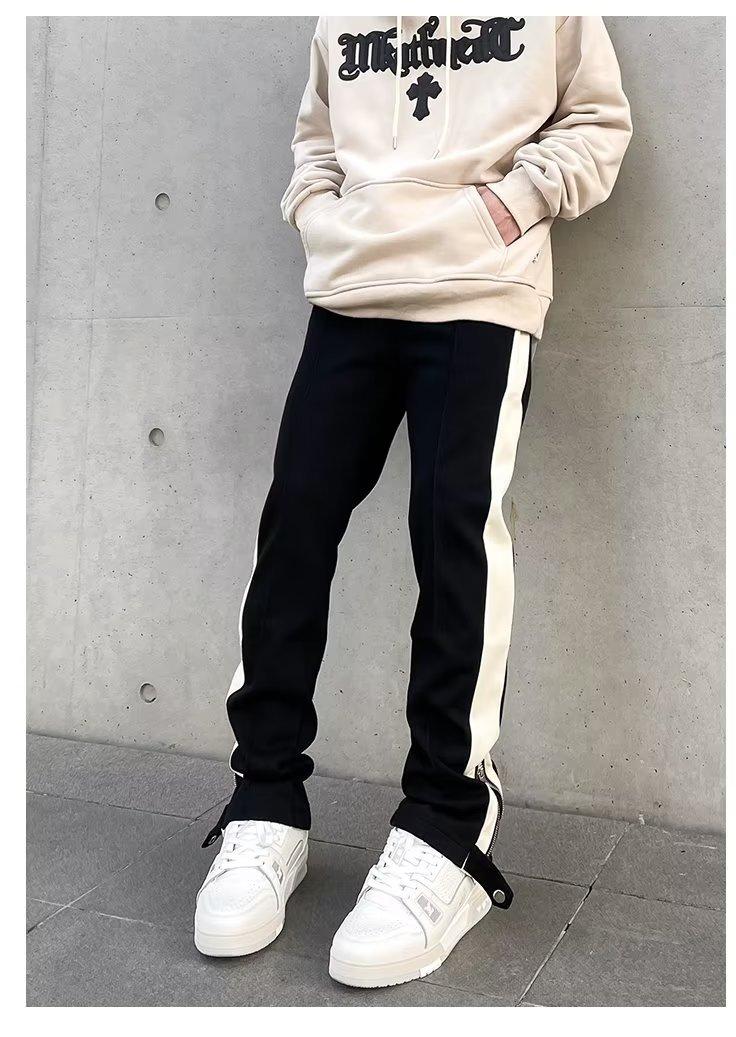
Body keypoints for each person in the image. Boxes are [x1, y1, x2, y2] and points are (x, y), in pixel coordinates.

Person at [194, 15, 631, 989]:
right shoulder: (339, 16)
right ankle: (266, 799)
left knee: (453, 536)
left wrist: (510, 207)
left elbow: (598, 122)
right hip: (350, 293)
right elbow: (316, 139)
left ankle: (445, 822)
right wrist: (320, 214)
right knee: (294, 527)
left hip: (480, 291)